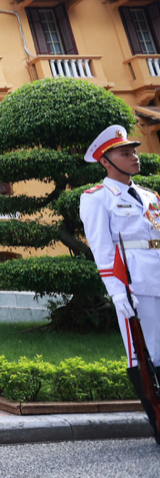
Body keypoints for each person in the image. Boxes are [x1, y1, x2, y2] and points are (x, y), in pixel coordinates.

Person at [79, 124, 160, 441]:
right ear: (106, 161)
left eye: (134, 151)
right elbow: (101, 248)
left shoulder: (150, 196)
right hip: (135, 285)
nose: (134, 157)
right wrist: (117, 291)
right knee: (145, 355)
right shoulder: (97, 199)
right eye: (125, 153)